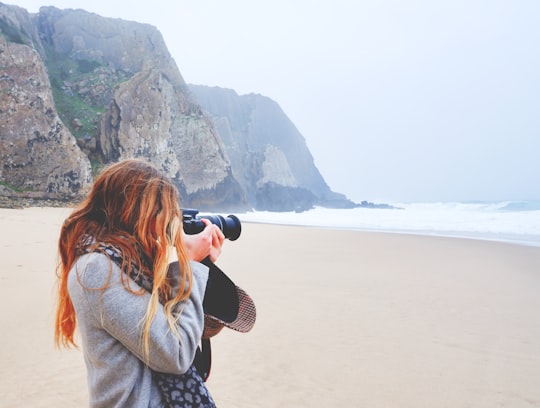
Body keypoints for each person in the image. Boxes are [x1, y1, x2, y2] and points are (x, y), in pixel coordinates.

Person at [55, 159, 225, 407]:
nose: (165, 225)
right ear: (132, 211)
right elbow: (176, 353)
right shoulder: (97, 270)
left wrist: (197, 264)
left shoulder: (128, 265)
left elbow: (186, 326)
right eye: (160, 212)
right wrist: (190, 266)